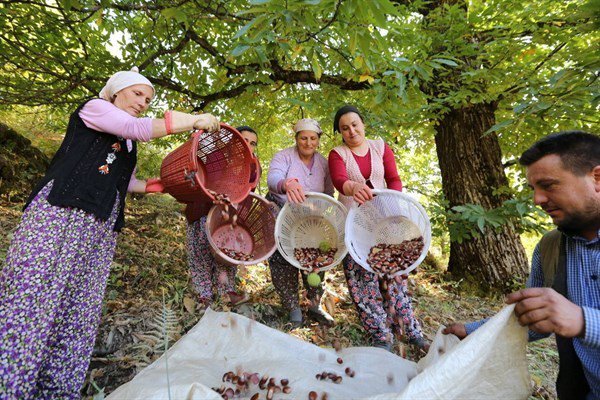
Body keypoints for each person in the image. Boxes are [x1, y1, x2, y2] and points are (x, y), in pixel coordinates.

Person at [0, 67, 219, 399]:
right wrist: (193, 120)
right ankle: (11, 384)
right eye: (137, 94)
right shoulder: (95, 108)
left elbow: (118, 176)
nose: (143, 102)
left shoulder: (128, 142)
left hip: (99, 225)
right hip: (62, 214)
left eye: (148, 99)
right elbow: (134, 127)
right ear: (116, 92)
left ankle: (53, 389)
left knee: (78, 305)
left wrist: (153, 186)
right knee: (35, 295)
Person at [443, 131, 600, 400]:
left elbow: (573, 319)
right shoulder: (550, 248)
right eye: (534, 189)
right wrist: (471, 332)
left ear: (597, 178)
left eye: (549, 185)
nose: (537, 200)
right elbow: (534, 321)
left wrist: (584, 321)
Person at [328, 105, 428, 351]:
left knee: (394, 273)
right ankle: (380, 335)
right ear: (340, 133)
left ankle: (409, 329)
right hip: (356, 222)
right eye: (345, 128)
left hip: (386, 220)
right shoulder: (337, 153)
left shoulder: (380, 147)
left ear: (363, 124)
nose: (351, 131)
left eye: (354, 124)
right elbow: (340, 181)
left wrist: (393, 203)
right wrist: (353, 187)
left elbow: (393, 178)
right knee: (362, 278)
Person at [267, 118, 335, 326]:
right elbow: (273, 179)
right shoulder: (284, 157)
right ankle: (292, 308)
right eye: (303, 138)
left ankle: (314, 305)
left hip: (311, 219)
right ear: (296, 139)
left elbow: (329, 192)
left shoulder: (324, 163)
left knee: (316, 261)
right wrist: (286, 183)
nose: (308, 143)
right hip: (282, 214)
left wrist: (323, 214)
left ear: (318, 140)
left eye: (313, 138)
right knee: (282, 259)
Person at [184, 126, 260, 309]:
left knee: (226, 254)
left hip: (227, 219)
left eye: (253, 143)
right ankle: (204, 295)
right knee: (201, 251)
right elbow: (200, 180)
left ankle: (227, 292)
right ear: (234, 141)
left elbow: (248, 196)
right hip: (202, 212)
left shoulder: (253, 167)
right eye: (244, 140)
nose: (248, 145)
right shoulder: (216, 156)